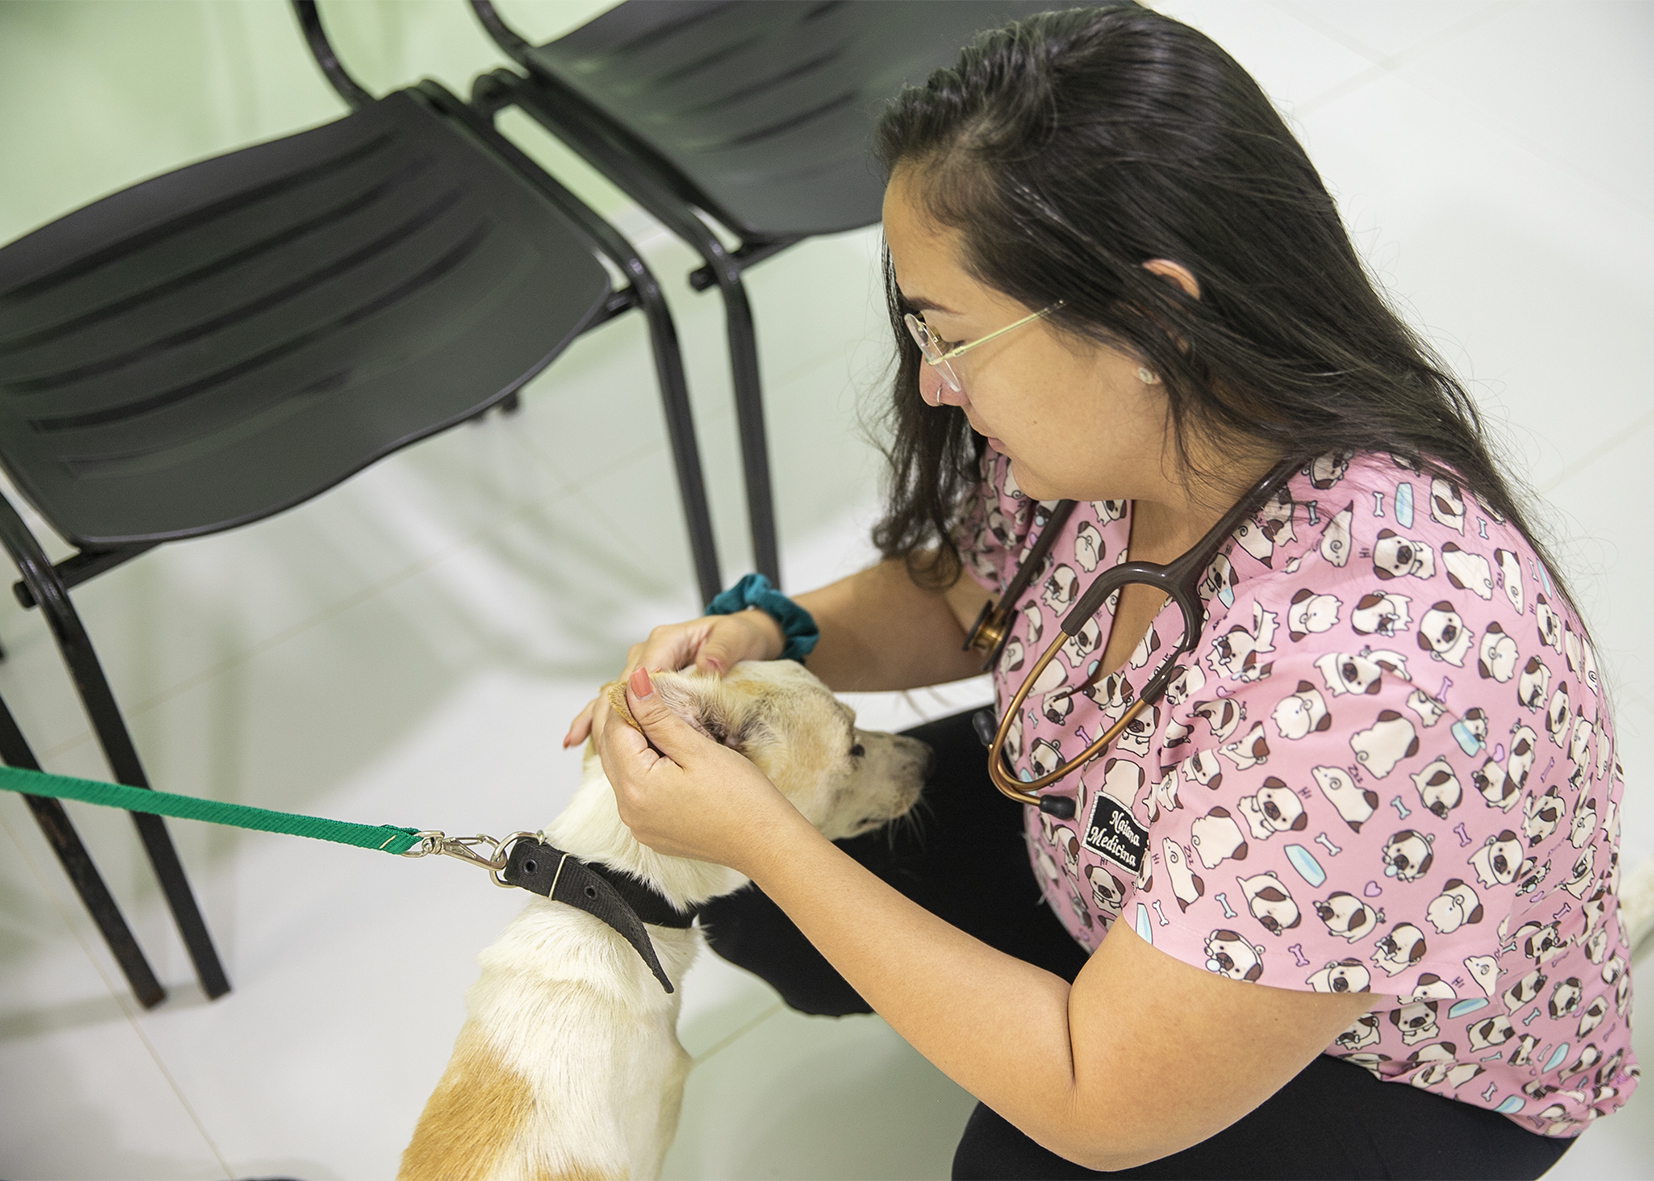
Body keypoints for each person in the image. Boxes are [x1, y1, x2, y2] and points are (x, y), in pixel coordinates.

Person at [563, 5, 1638, 1177]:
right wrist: (774, 631)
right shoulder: (1119, 435)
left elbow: (1095, 1100)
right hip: (1121, 849)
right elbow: (974, 583)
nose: (929, 386)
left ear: (1148, 316)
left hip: (1390, 1057)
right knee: (757, 905)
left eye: (952, 337)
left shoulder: (1376, 684)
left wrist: (763, 833)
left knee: (1010, 1161)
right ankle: (1112, 978)